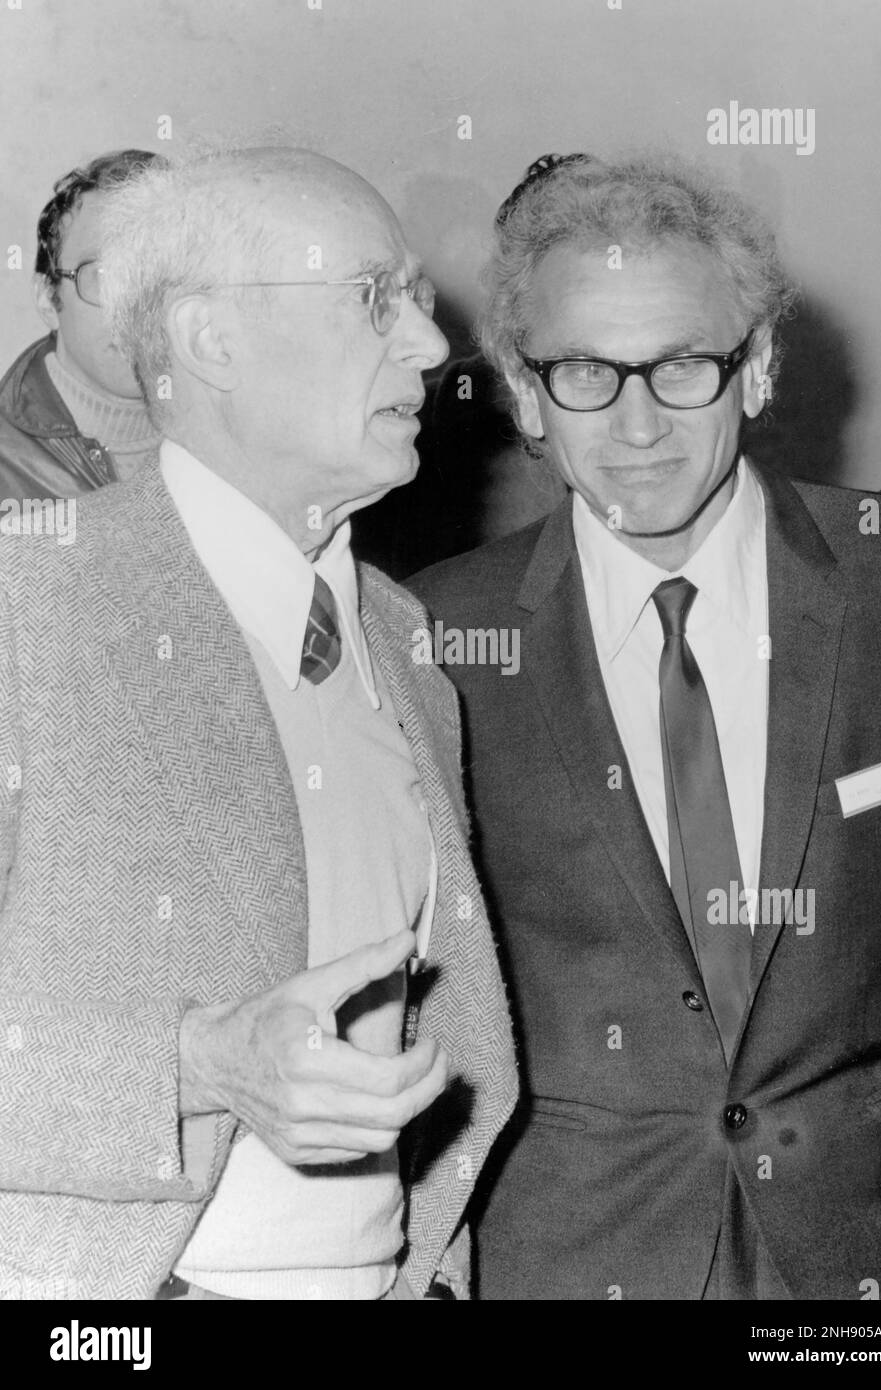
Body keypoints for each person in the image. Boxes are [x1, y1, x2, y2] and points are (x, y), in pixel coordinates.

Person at [411, 152, 881, 1300]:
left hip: (874, 1251)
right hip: (578, 1254)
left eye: (684, 365)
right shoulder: (431, 633)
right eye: (586, 371)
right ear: (520, 389)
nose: (637, 423)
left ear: (758, 372)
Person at [0, 146, 516, 1301]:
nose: (434, 348)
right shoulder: (25, 605)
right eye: (373, 299)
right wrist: (196, 1063)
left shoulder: (401, 635)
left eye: (424, 304)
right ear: (210, 339)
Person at [0, 149, 164, 498]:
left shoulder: (242, 441)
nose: (136, 306)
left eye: (158, 275)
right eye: (105, 275)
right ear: (48, 298)